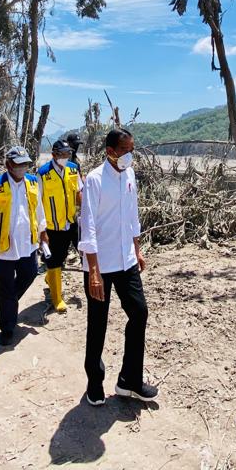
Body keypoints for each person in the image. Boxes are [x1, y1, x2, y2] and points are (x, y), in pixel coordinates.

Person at [79, 127, 157, 405]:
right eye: (125, 150)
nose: (129, 155)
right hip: (100, 264)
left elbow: (132, 216)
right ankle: (94, 381)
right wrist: (93, 272)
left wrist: (137, 250)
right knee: (97, 323)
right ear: (110, 151)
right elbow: (88, 225)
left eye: (131, 150)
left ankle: (129, 381)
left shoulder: (130, 175)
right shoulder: (94, 179)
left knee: (139, 313)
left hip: (126, 261)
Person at [0, 146, 47, 347]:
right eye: (18, 164)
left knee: (30, 274)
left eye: (25, 164)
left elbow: (39, 209)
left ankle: (8, 306)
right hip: (4, 247)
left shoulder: (32, 182)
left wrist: (43, 231)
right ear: (8, 165)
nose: (22, 168)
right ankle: (7, 329)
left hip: (28, 243)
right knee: (6, 285)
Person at [36, 139, 83, 313]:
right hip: (52, 225)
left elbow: (78, 192)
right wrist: (41, 229)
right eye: (61, 154)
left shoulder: (73, 168)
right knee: (55, 260)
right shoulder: (43, 173)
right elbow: (37, 202)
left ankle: (50, 279)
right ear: (53, 155)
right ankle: (57, 298)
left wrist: (86, 211)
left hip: (71, 221)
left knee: (75, 252)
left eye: (67, 153)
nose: (65, 157)